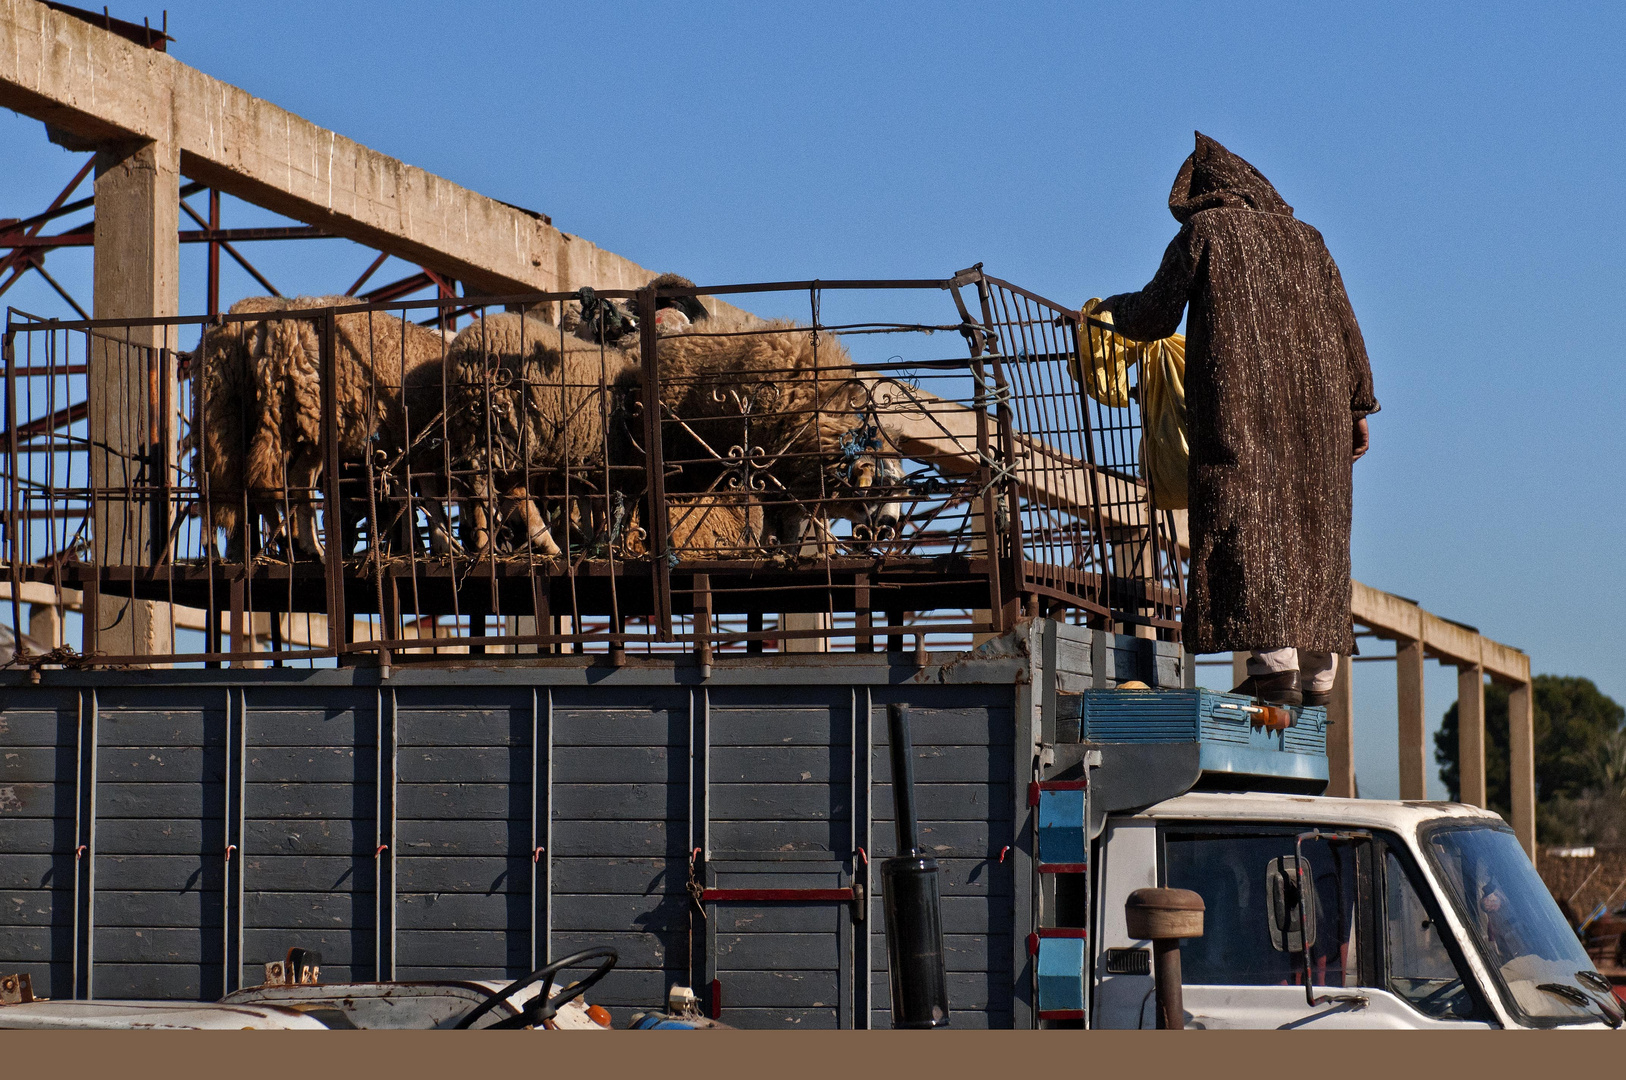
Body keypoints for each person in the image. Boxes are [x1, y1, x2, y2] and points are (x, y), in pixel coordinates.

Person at [1097, 133, 1378, 707]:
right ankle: (1317, 679)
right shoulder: (1310, 240)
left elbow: (1154, 313)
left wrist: (1107, 311)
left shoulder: (1207, 231)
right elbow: (1347, 327)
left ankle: (1274, 671)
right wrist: (1358, 405)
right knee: (1314, 527)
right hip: (1320, 416)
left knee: (1250, 521)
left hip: (1241, 407)